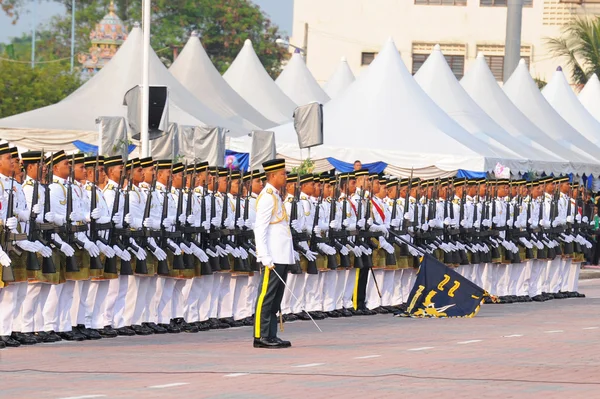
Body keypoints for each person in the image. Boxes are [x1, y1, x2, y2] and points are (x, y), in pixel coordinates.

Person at [253, 159, 294, 349]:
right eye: (282, 174)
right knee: (266, 296)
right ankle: (260, 336)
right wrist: (264, 255)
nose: (285, 177)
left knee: (276, 298)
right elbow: (259, 228)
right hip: (272, 257)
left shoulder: (277, 196)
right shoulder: (268, 196)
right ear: (272, 176)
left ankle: (271, 334)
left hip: (282, 255)